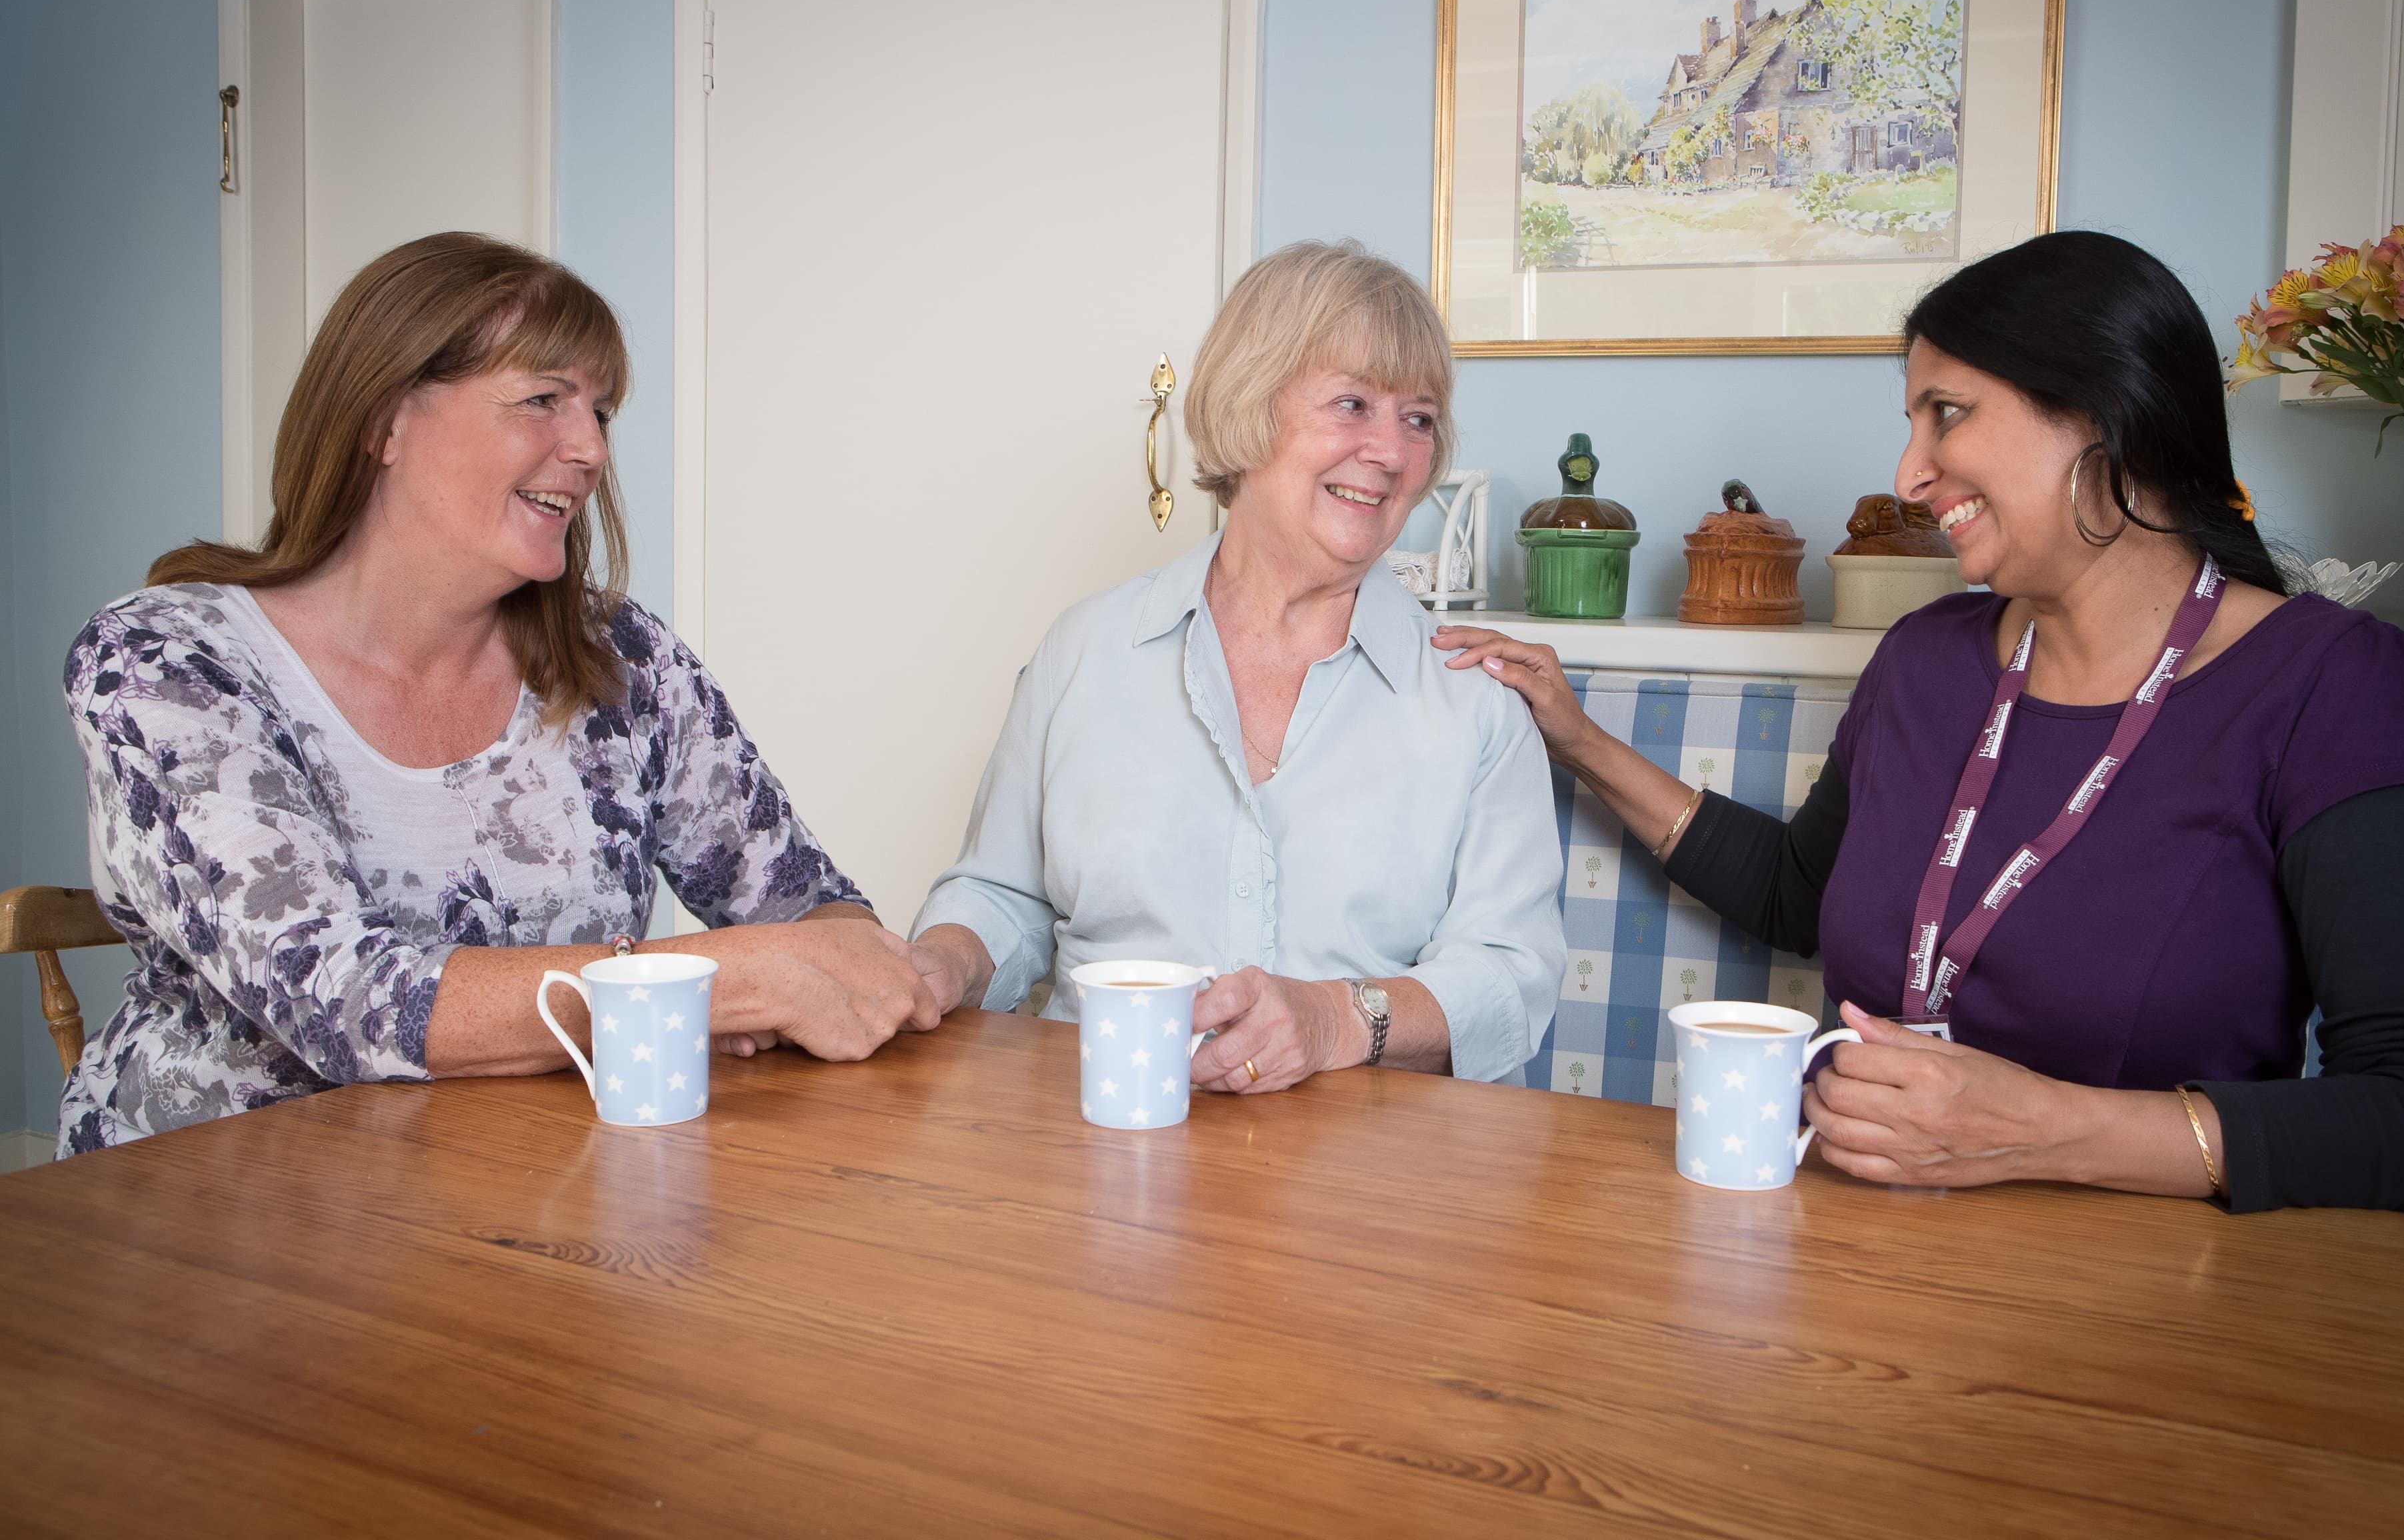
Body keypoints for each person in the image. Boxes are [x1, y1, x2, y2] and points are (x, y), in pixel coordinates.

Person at [1436, 231, 2404, 1215]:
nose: (1910, 475)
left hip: (2154, 1326)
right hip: (1853, 1275)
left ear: (2106, 412)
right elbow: (1795, 894)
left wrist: (2042, 1132)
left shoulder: (2341, 689)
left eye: (1946, 413)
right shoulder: (1927, 659)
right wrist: (1575, 737)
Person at [60, 233, 947, 1153]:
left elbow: (815, 919)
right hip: (216, 1216)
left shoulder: (621, 657)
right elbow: (340, 1000)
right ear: (383, 421)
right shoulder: (168, 661)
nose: (593, 448)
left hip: (537, 1195)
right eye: (542, 401)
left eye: (601, 411)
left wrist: (819, 959)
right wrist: (730, 983)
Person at [909, 240, 1563, 1089]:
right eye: (1353, 403)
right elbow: (1002, 896)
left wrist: (1338, 1018)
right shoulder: (1085, 651)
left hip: (1372, 1181)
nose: (1393, 453)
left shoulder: (1474, 701)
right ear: (1252, 407)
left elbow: (1513, 976)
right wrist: (941, 964)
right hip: (1105, 1140)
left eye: (1419, 418)